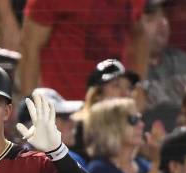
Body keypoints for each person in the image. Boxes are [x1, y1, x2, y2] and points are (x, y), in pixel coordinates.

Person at [19, 0, 147, 99]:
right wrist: (30, 109)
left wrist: (139, 89)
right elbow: (30, 46)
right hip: (64, 113)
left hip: (114, 113)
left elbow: (139, 33)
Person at [86, 97, 163, 173]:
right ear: (110, 126)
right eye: (133, 120)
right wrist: (157, 163)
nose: (141, 124)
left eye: (140, 118)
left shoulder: (144, 165)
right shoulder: (99, 170)